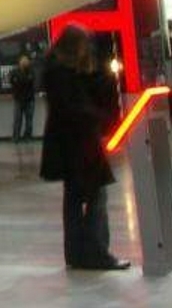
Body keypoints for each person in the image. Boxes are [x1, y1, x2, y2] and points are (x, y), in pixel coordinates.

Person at [40, 24, 128, 271]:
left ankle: (77, 254)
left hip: (69, 146)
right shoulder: (62, 73)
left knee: (75, 200)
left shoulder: (57, 70)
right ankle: (98, 253)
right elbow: (74, 107)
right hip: (79, 146)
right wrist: (97, 117)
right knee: (96, 197)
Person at [11, 54, 37, 141]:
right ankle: (16, 137)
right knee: (17, 120)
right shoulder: (14, 71)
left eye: (26, 61)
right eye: (23, 60)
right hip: (18, 99)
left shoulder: (31, 71)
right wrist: (23, 80)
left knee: (29, 120)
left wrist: (20, 80)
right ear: (19, 62)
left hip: (30, 99)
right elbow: (13, 81)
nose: (25, 62)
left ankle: (28, 136)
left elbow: (30, 80)